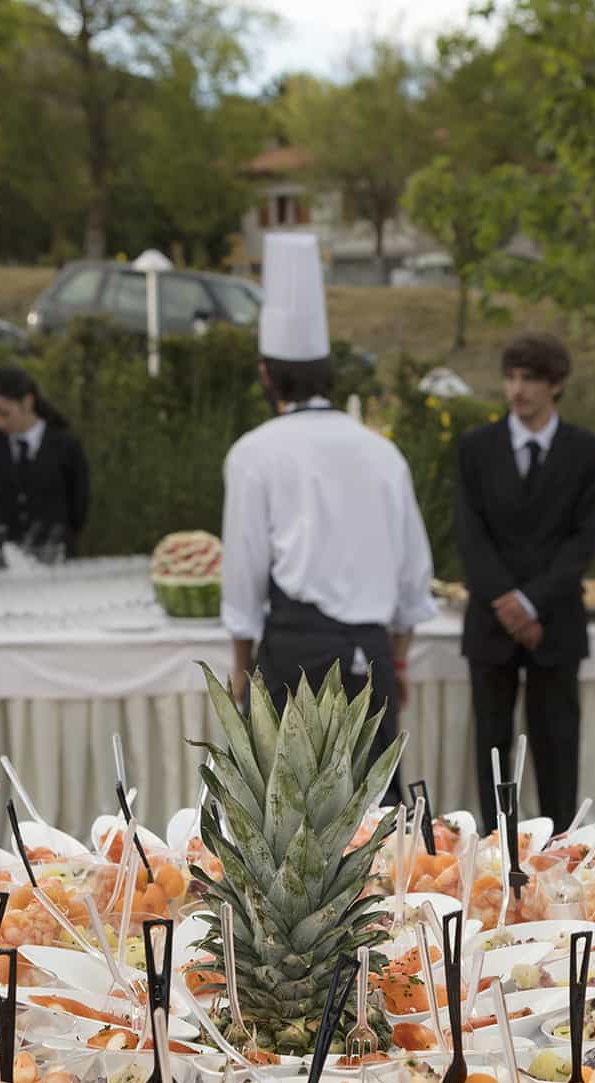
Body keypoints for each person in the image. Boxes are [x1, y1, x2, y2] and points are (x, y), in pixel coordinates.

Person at [220, 231, 437, 795]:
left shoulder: (254, 452)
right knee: (372, 814)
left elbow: (243, 576)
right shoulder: (381, 451)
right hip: (369, 654)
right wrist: (400, 662)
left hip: (292, 652)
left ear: (267, 375)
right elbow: (415, 578)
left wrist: (241, 673)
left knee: (286, 822)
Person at [454, 333, 595, 830]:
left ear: (556, 384)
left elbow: (583, 541)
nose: (517, 389)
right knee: (492, 752)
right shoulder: (477, 447)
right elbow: (469, 532)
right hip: (490, 622)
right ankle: (499, 853)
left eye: (530, 379)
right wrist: (508, 603)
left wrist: (532, 602)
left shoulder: (586, 451)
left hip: (556, 621)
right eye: (511, 377)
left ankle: (561, 850)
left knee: (558, 749)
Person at [0, 366, 91, 554]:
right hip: (6, 558)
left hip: (57, 558)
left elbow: (78, 505)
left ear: (27, 403)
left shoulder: (65, 446)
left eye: (5, 414)